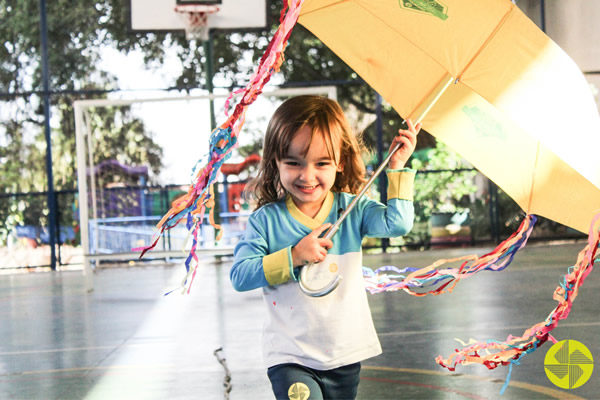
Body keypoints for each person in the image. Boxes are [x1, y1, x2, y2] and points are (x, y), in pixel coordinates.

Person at [230, 95, 420, 399]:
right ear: (275, 162)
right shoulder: (265, 221)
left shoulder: (354, 210)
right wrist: (294, 256)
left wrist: (397, 167)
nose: (307, 175)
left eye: (321, 163)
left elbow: (396, 225)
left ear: (339, 162)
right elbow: (241, 276)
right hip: (290, 356)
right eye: (293, 163)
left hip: (343, 353)